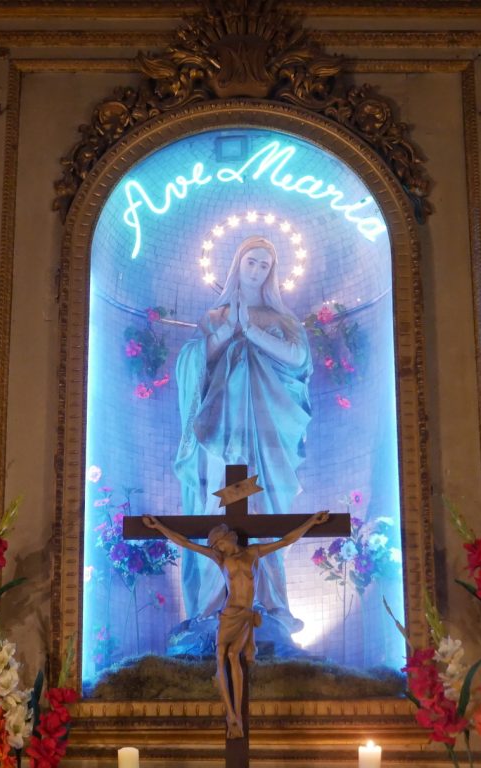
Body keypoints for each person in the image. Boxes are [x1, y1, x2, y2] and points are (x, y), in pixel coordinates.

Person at [172, 236, 313, 657]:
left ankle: (269, 610)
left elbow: (298, 359)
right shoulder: (215, 316)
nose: (256, 270)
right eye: (251, 262)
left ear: (273, 272)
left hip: (266, 440)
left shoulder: (283, 319)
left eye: (264, 265)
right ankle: (210, 612)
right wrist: (228, 330)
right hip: (222, 440)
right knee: (220, 510)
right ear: (238, 264)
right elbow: (194, 364)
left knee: (263, 511)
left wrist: (250, 331)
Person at [142, 511, 330, 738]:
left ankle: (237, 715)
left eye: (218, 543)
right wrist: (158, 526)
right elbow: (185, 543)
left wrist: (311, 522)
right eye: (215, 546)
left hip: (245, 615)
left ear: (228, 538)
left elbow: (285, 541)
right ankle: (230, 715)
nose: (218, 548)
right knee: (221, 656)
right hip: (228, 614)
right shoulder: (220, 558)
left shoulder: (253, 553)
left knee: (233, 656)